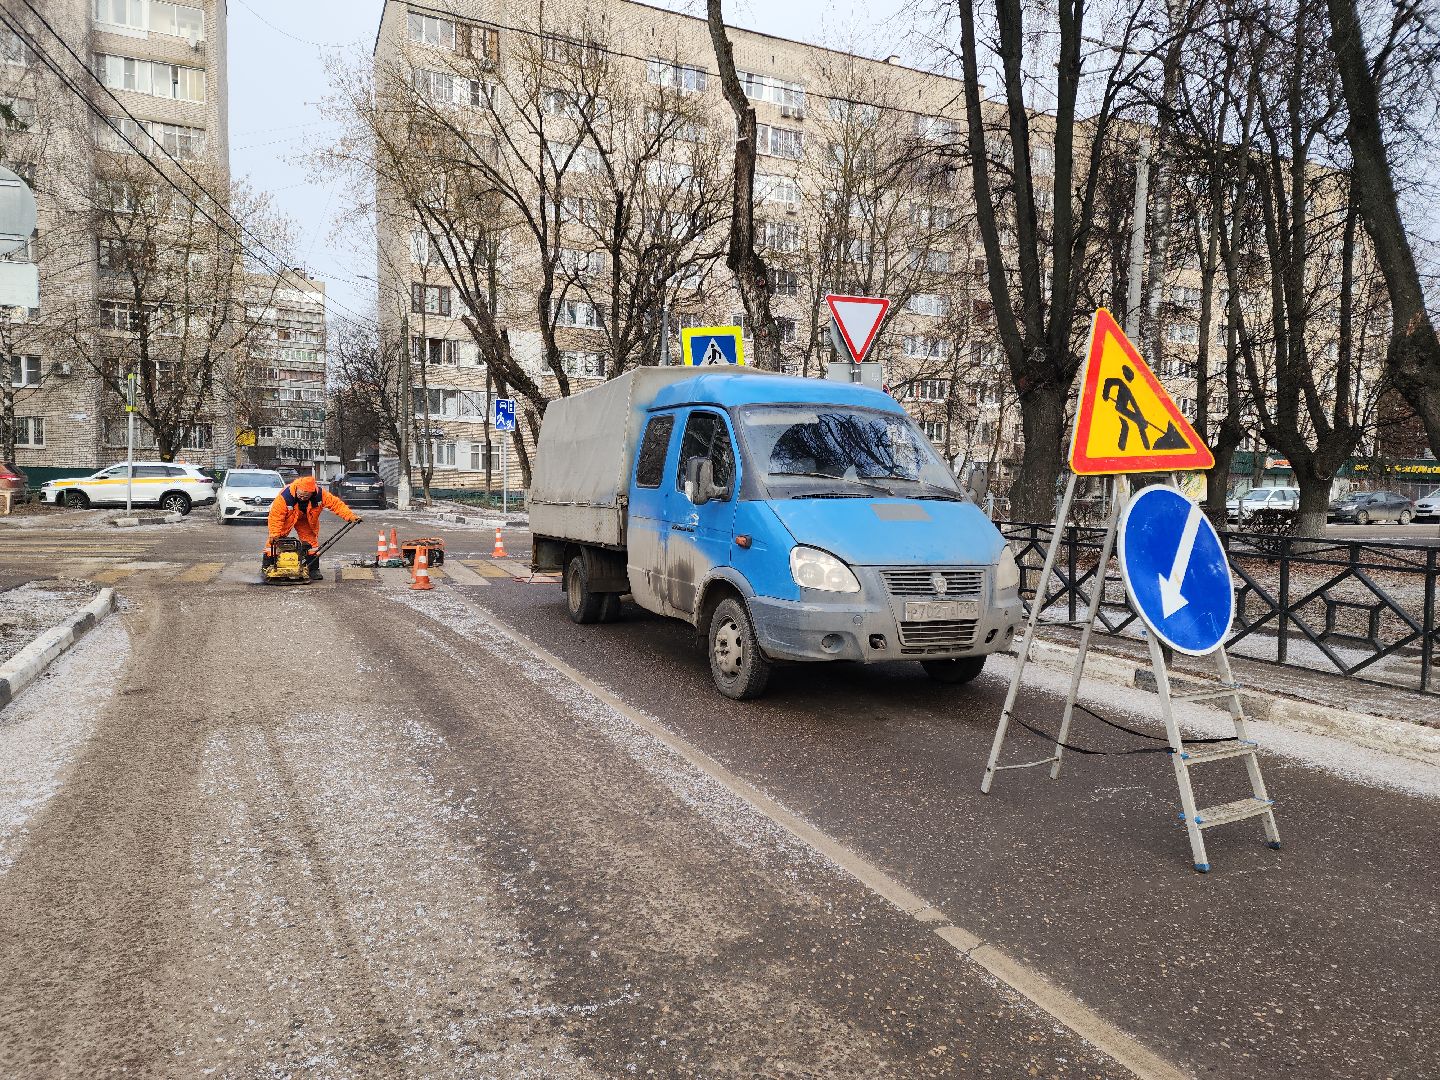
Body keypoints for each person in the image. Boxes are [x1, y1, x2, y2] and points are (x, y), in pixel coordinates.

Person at [264, 475, 361, 581]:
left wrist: (350, 516)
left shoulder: (320, 494)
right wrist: (274, 533)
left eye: (305, 497)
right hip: (288, 517)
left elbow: (336, 504)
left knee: (311, 543)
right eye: (300, 495)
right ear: (296, 489)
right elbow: (276, 516)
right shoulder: (285, 496)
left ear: (312, 493)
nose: (302, 498)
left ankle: (313, 569)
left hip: (306, 519)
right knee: (274, 541)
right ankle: (267, 567)